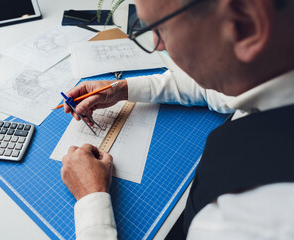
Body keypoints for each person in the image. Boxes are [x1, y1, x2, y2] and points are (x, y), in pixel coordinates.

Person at [60, 0, 294, 239]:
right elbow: (218, 83)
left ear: (246, 24)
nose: (157, 44)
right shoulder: (272, 63)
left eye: (160, 28)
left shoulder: (243, 223)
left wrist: (92, 198)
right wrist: (121, 89)